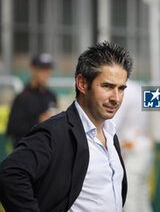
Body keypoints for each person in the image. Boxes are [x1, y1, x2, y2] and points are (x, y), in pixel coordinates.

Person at [0, 42, 133, 212]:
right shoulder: (55, 132)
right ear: (82, 84)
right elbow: (9, 174)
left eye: (121, 88)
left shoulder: (111, 134)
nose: (116, 97)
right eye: (107, 86)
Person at [112, 80, 154, 212]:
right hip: (144, 145)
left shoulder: (123, 90)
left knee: (130, 197)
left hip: (130, 148)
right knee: (141, 196)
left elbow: (112, 126)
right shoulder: (139, 87)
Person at [6, 53, 57, 146]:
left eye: (48, 69)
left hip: (47, 151)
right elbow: (11, 129)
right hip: (26, 151)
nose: (46, 73)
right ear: (33, 70)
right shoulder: (22, 97)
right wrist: (38, 121)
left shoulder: (51, 96)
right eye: (42, 69)